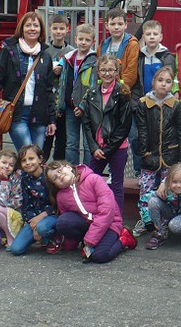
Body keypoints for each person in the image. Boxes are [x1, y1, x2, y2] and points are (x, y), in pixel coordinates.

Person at [0, 12, 56, 151]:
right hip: (16, 114)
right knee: (28, 155)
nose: (32, 29)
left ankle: (22, 173)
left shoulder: (45, 56)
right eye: (28, 25)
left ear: (41, 29)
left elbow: (49, 90)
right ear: (21, 29)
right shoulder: (9, 52)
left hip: (39, 116)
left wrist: (51, 120)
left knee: (36, 160)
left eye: (36, 25)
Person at [45, 161, 137, 263]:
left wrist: (91, 239)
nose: (59, 176)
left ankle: (124, 238)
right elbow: (69, 222)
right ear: (55, 185)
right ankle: (90, 244)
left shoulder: (93, 179)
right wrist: (70, 246)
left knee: (100, 256)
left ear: (68, 167)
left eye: (60, 170)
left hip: (110, 224)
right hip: (89, 226)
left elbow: (107, 211)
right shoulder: (61, 197)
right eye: (55, 178)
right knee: (62, 222)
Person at [135, 66, 181, 237]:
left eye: (168, 81)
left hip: (170, 156)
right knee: (145, 190)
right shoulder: (144, 103)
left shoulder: (176, 105)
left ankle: (162, 222)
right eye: (160, 80)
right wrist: (144, 153)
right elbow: (141, 129)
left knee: (166, 191)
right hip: (149, 156)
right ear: (153, 82)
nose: (164, 84)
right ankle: (145, 220)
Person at [80, 54, 132, 213]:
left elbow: (124, 126)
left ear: (117, 72)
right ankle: (93, 213)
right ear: (98, 72)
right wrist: (94, 148)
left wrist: (108, 149)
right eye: (103, 70)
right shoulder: (92, 92)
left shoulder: (122, 93)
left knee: (117, 184)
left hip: (117, 148)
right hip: (97, 147)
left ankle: (116, 220)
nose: (107, 73)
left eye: (111, 70)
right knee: (89, 180)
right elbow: (87, 122)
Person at [131, 19, 175, 176]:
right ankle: (139, 171)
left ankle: (162, 172)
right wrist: (135, 103)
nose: (151, 37)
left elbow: (171, 80)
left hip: (160, 104)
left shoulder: (167, 57)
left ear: (161, 36)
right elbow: (136, 82)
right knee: (139, 139)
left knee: (159, 139)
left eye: (155, 34)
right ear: (143, 36)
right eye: (148, 34)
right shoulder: (139, 56)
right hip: (143, 104)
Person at [56, 23, 97, 165]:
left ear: (93, 42)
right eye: (81, 39)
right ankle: (72, 170)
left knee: (88, 144)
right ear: (75, 39)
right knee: (71, 143)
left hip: (88, 109)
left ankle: (87, 173)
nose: (83, 42)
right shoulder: (68, 58)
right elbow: (63, 84)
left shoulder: (95, 60)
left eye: (87, 40)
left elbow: (93, 87)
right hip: (70, 107)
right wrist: (60, 105)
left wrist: (83, 106)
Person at [8, 145, 58, 256]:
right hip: (34, 218)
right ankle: (39, 235)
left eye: (31, 159)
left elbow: (57, 203)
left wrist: (41, 218)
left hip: (51, 216)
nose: (28, 163)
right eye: (24, 160)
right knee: (16, 249)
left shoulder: (49, 176)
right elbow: (26, 203)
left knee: (42, 228)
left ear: (40, 159)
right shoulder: (25, 179)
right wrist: (30, 220)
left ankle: (55, 237)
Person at [145, 163, 181, 249]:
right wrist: (148, 220)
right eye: (174, 182)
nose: (178, 185)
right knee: (153, 201)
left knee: (174, 226)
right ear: (168, 182)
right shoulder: (166, 190)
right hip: (172, 212)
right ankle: (161, 232)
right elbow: (144, 200)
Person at [43, 14, 75, 161]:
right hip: (48, 102)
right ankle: (42, 166)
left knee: (62, 140)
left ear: (67, 30)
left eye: (61, 28)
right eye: (55, 28)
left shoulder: (71, 52)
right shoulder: (44, 51)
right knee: (46, 139)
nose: (58, 32)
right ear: (50, 29)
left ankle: (57, 167)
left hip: (63, 102)